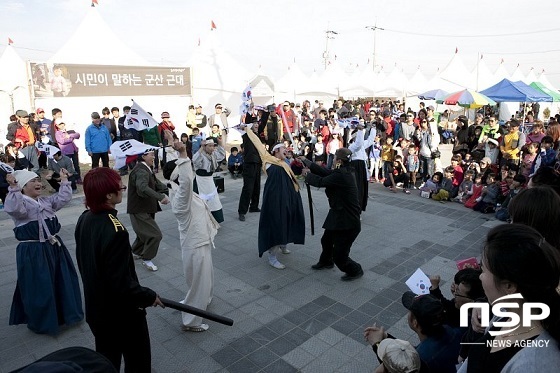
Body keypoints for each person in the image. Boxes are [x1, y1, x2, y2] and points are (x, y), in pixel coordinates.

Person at [75, 167, 164, 372]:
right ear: (108, 195)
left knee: (107, 361)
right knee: (138, 361)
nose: (122, 189)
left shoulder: (84, 218)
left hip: (97, 310)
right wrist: (148, 296)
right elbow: (121, 283)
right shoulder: (115, 230)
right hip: (121, 316)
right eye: (119, 186)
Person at [458, 224, 560, 373]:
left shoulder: (533, 365)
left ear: (509, 286)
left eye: (484, 270)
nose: (480, 276)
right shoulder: (506, 314)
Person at [4, 169, 83, 335]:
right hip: (34, 251)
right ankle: (43, 321)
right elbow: (13, 209)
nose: (38, 183)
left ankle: (64, 315)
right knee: (39, 286)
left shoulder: (44, 201)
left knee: (61, 280)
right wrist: (13, 188)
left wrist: (63, 180)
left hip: (53, 247)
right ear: (23, 187)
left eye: (38, 180)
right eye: (32, 181)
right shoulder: (21, 203)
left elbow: (62, 199)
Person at [162, 131, 219, 332]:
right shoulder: (180, 198)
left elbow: (173, 168)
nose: (190, 169)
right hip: (195, 245)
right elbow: (186, 178)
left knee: (205, 279)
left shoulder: (175, 188)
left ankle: (203, 300)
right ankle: (191, 321)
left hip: (199, 241)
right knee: (199, 282)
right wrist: (184, 153)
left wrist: (172, 145)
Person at [301, 148, 364, 281]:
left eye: (335, 158)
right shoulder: (345, 170)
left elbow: (321, 181)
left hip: (348, 221)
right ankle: (326, 261)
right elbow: (326, 172)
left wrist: (308, 175)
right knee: (326, 240)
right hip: (338, 214)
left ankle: (355, 270)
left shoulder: (342, 175)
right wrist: (307, 162)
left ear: (339, 161)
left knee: (340, 255)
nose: (334, 159)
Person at [258, 143, 305, 269]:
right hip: (275, 200)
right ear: (276, 150)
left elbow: (293, 177)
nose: (286, 150)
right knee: (278, 224)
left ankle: (284, 244)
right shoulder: (269, 161)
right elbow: (258, 145)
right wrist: (248, 131)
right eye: (283, 148)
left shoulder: (285, 162)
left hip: (289, 197)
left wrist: (300, 164)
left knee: (289, 220)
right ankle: (272, 257)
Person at [127, 149, 170, 271]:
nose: (154, 158)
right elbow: (143, 188)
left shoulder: (145, 168)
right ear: (143, 156)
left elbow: (156, 184)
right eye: (151, 155)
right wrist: (160, 197)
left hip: (145, 208)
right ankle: (147, 258)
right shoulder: (141, 170)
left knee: (143, 233)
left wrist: (170, 188)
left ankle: (135, 252)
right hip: (139, 209)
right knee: (155, 235)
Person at [192, 137, 226, 223]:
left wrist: (220, 143)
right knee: (201, 200)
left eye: (213, 146)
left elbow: (222, 155)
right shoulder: (201, 154)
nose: (212, 148)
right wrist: (201, 148)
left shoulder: (213, 155)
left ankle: (214, 218)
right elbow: (195, 161)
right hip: (201, 181)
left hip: (209, 180)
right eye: (210, 146)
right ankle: (202, 219)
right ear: (205, 146)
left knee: (213, 200)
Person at [238, 123, 263, 221]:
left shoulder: (257, 136)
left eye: (257, 123)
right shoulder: (247, 135)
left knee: (257, 186)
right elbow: (246, 124)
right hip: (249, 164)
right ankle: (242, 211)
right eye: (255, 124)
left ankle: (254, 207)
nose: (257, 125)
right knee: (248, 188)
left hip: (257, 163)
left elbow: (264, 122)